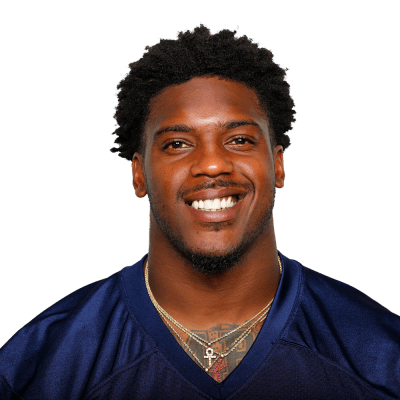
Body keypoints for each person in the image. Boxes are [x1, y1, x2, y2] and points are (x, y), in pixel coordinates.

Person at [0, 23, 399, 400]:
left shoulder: (381, 357)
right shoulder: (37, 367)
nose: (212, 164)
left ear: (278, 165)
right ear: (138, 175)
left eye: (240, 139)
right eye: (177, 144)